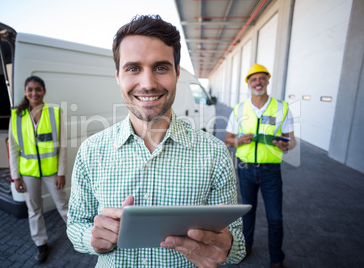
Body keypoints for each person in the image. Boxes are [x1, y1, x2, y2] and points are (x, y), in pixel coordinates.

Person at [67, 15, 246, 267]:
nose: (148, 84)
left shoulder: (214, 153)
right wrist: (91, 237)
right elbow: (75, 223)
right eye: (133, 68)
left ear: (177, 73)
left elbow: (236, 243)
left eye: (161, 67)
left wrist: (226, 247)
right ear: (118, 75)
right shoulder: (91, 152)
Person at [225, 63, 296, 268]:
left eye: (262, 78)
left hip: (270, 171)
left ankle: (276, 258)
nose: (258, 82)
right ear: (248, 83)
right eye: (254, 79)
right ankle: (246, 247)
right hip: (246, 169)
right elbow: (228, 139)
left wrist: (285, 146)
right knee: (247, 212)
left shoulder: (282, 108)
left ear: (267, 80)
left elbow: (292, 142)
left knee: (275, 217)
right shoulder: (239, 109)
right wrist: (241, 141)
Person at [9, 76, 69, 264]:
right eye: (30, 90)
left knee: (63, 205)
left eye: (38, 89)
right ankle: (40, 244)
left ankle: (79, 235)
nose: (34, 93)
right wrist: (15, 177)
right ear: (26, 92)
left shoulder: (55, 112)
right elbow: (13, 148)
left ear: (44, 91)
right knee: (34, 209)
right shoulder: (17, 115)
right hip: (28, 173)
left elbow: (63, 146)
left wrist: (61, 172)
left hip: (52, 172)